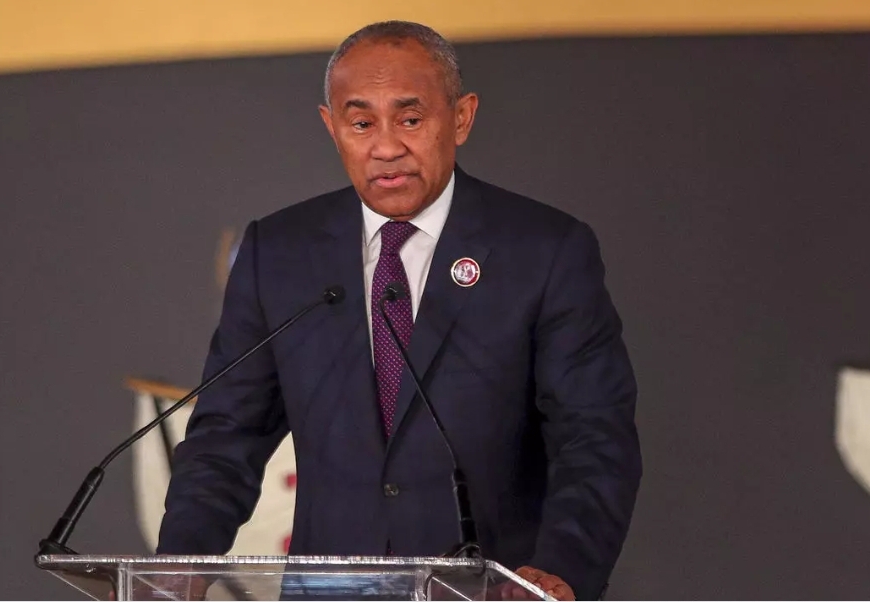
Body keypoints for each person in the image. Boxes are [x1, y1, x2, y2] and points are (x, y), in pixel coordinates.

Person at [157, 21, 642, 601]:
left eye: (410, 119)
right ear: (332, 126)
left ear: (460, 118)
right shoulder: (280, 253)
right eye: (361, 123)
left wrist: (560, 571)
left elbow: (594, 437)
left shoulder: (544, 250)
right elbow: (226, 437)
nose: (386, 148)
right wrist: (179, 565)